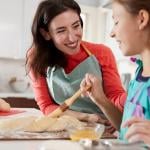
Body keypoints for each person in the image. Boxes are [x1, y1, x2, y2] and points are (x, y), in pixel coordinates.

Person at [26, 0, 126, 124]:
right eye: (61, 31)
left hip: (104, 126)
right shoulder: (37, 59)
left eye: (76, 26)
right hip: (66, 125)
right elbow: (46, 106)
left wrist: (132, 96)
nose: (72, 38)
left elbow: (115, 98)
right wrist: (86, 117)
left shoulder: (102, 53)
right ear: (46, 34)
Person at [80, 0, 150, 144]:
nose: (112, 33)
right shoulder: (139, 73)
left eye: (116, 22)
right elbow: (125, 129)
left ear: (142, 19)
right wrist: (101, 100)